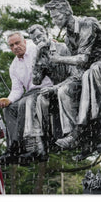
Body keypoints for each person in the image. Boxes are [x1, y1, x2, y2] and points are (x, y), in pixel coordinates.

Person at [43, 0, 101, 155]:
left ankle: (79, 131)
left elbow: (82, 58)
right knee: (64, 90)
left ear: (67, 13)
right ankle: (76, 138)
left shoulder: (87, 24)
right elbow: (78, 67)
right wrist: (57, 86)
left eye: (57, 17)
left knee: (89, 74)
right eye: (52, 18)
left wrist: (57, 59)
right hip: (88, 72)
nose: (54, 21)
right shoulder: (68, 37)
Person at [22, 23, 81, 162]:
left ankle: (70, 134)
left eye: (39, 36)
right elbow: (36, 81)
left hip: (72, 85)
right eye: (34, 40)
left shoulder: (63, 48)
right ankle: (37, 139)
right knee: (34, 100)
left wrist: (54, 88)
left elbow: (75, 75)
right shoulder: (41, 55)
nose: (38, 40)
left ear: (46, 33)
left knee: (61, 92)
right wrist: (36, 57)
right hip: (56, 88)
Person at [0, 31, 52, 165]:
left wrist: (52, 42)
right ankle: (14, 147)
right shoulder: (14, 66)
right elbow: (17, 90)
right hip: (30, 93)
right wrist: (7, 100)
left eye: (17, 43)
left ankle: (21, 146)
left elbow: (49, 44)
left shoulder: (36, 49)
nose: (15, 47)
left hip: (46, 88)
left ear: (25, 41)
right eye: (11, 45)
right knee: (9, 109)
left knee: (24, 103)